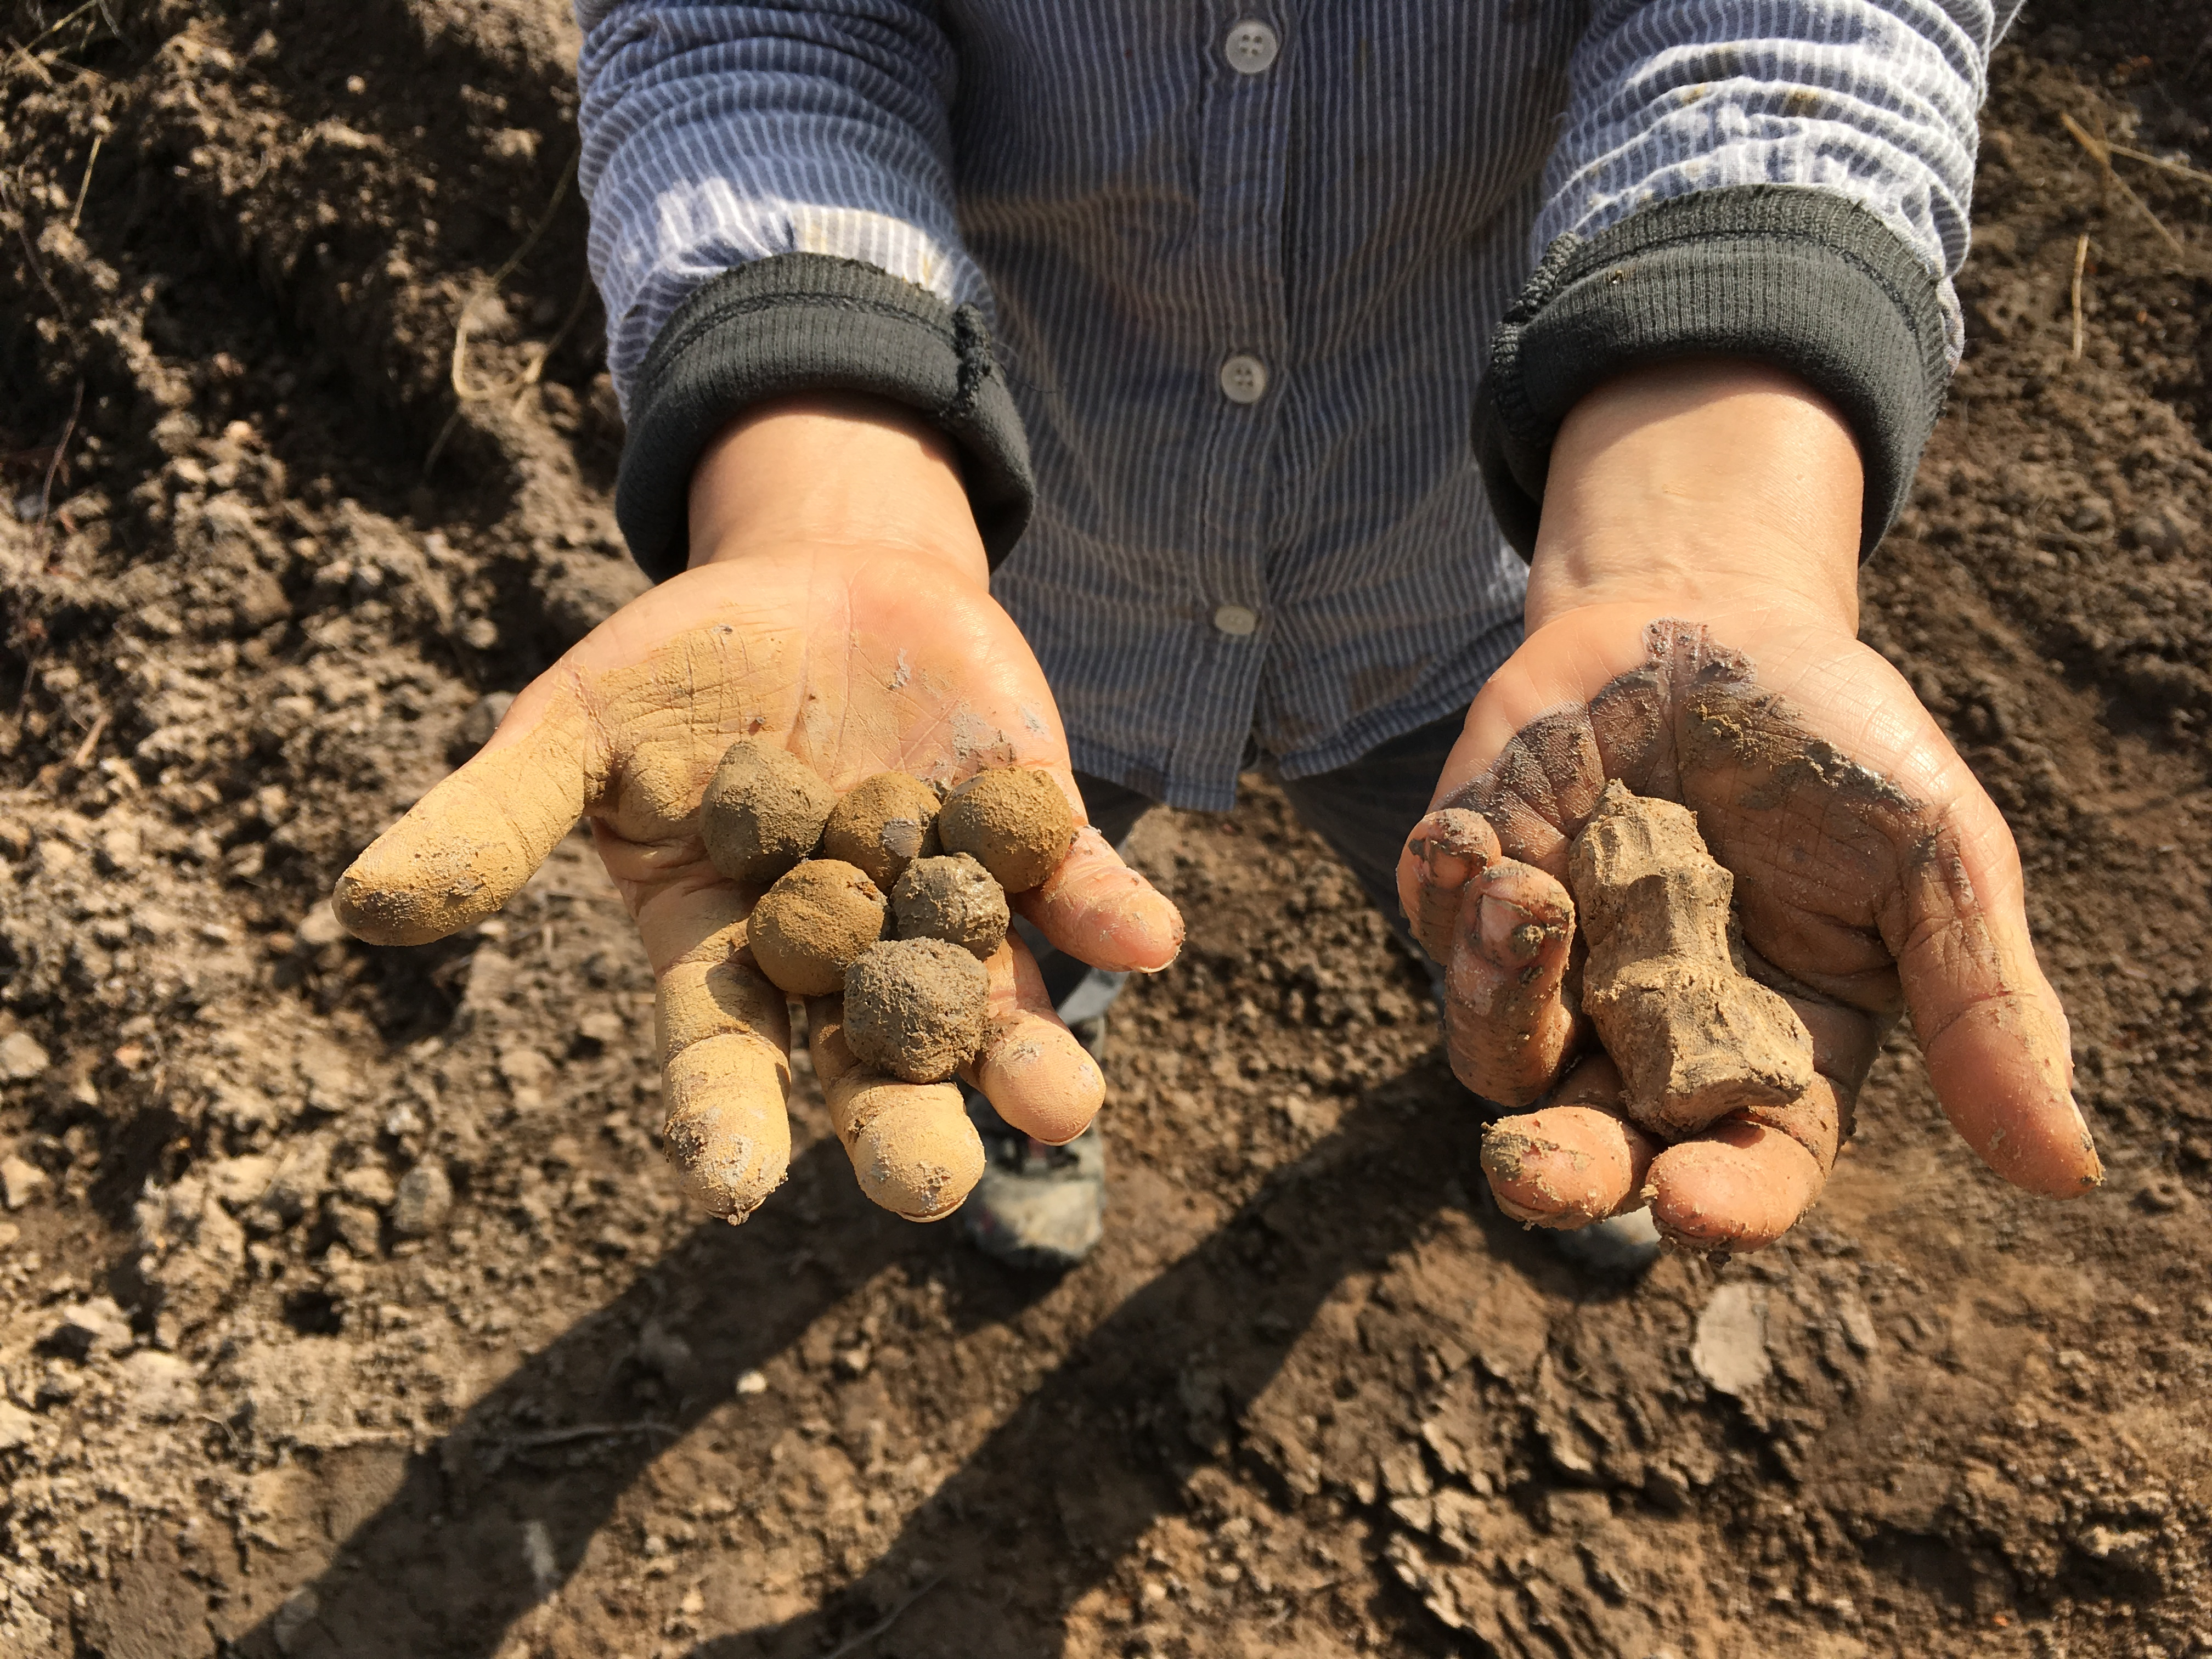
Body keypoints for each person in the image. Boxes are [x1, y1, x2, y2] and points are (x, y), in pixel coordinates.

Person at [335, 1, 2101, 1271]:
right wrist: (827, 507)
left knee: (1506, 896)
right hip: (1004, 611)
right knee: (1048, 895)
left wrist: (1706, 544)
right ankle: (1042, 1071)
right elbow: (752, 27)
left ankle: (1562, 1059)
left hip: (1476, 600)